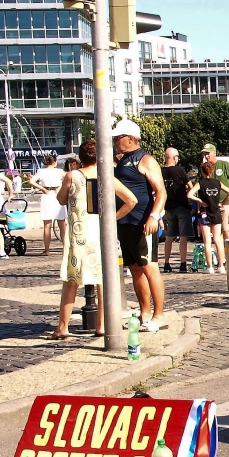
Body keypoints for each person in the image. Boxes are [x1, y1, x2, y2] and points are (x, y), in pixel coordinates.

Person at [47, 141, 137, 339]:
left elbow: (61, 200)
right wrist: (112, 219)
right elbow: (131, 200)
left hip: (79, 234)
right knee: (103, 280)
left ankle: (63, 327)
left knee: (71, 280)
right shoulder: (107, 176)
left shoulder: (73, 176)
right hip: (101, 233)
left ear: (81, 157)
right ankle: (103, 325)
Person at [113, 118, 167, 332]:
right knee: (135, 268)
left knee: (149, 266)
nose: (116, 141)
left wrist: (154, 216)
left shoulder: (144, 159)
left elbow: (161, 191)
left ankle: (159, 315)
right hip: (125, 220)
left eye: (119, 138)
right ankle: (145, 312)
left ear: (130, 138)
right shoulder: (123, 160)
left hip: (142, 221)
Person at [189, 159, 229, 274]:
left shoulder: (200, 183)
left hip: (204, 212)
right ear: (211, 171)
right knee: (218, 239)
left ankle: (210, 267)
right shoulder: (217, 183)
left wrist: (199, 200)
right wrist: (222, 202)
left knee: (207, 241)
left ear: (202, 172)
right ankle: (221, 266)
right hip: (216, 211)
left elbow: (189, 194)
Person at [159, 147, 193, 273]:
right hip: (182, 206)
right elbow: (190, 186)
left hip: (169, 206)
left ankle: (166, 264)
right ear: (174, 157)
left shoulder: (160, 171)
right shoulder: (180, 170)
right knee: (183, 236)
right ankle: (183, 264)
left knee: (169, 236)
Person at [28, 154, 66, 257]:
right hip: (57, 194)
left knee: (47, 225)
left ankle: (47, 249)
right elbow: (69, 178)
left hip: (46, 194)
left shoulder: (41, 171)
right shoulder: (58, 171)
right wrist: (62, 187)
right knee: (62, 224)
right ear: (54, 162)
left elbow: (31, 181)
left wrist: (42, 188)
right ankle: (65, 248)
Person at [201, 143, 229, 218]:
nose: (206, 156)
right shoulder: (203, 167)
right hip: (209, 204)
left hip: (225, 203)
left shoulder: (224, 164)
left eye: (208, 153)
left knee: (226, 229)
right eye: (204, 153)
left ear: (214, 153)